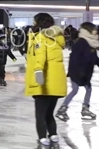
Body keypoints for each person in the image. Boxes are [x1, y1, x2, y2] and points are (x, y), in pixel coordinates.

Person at [25, 13, 66, 149]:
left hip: (43, 82)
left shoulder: (41, 37)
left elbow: (40, 55)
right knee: (49, 114)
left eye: (34, 21)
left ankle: (43, 138)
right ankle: (53, 135)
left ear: (39, 22)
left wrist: (38, 71)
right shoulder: (56, 38)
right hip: (55, 82)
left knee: (40, 115)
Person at [56, 22, 97, 121]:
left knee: (87, 89)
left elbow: (94, 58)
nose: (95, 32)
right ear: (88, 30)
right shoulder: (81, 42)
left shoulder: (91, 43)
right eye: (94, 29)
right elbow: (75, 58)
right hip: (77, 72)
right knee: (75, 90)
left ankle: (84, 108)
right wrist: (79, 71)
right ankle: (63, 109)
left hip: (85, 72)